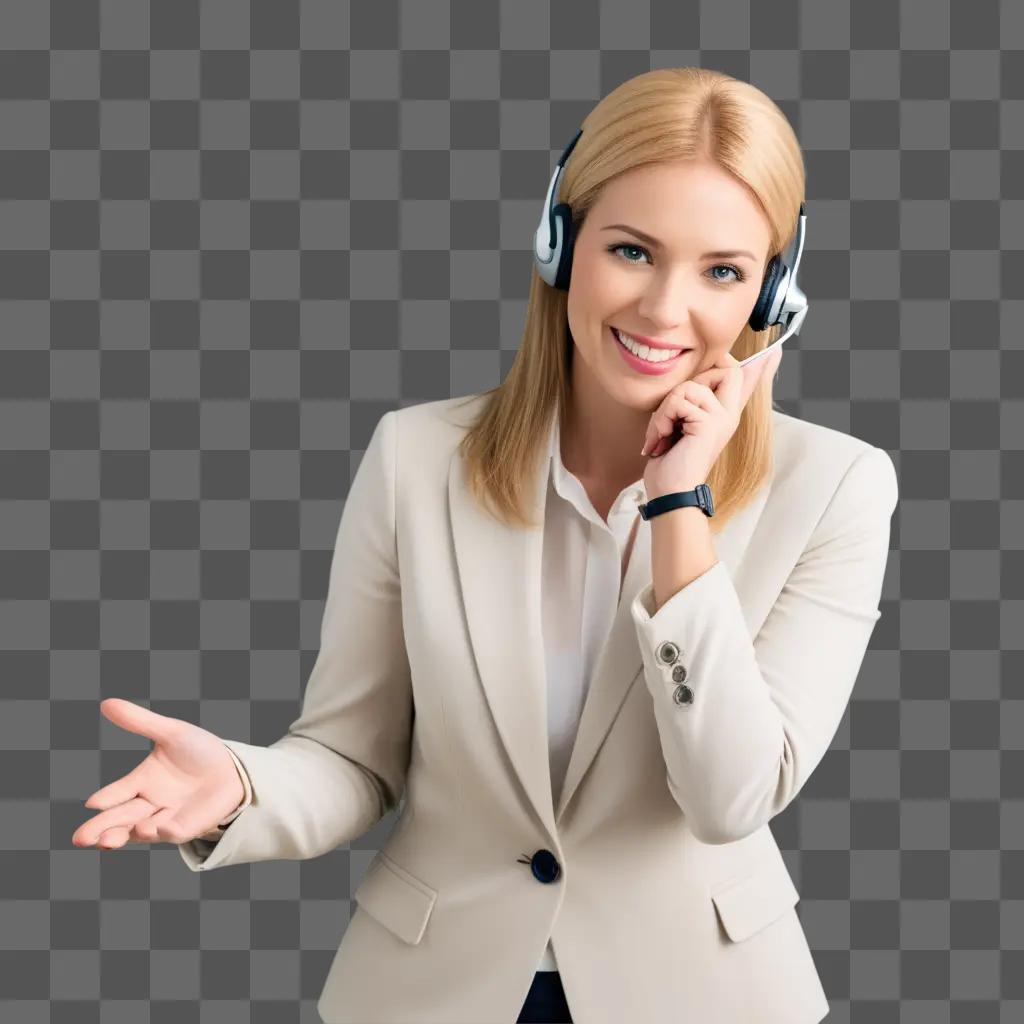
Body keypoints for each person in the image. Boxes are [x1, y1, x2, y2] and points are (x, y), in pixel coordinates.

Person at [72, 67, 897, 1024]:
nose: (668, 310)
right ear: (559, 242)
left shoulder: (835, 486)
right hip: (433, 990)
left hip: (700, 993)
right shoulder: (416, 458)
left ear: (774, 296)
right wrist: (239, 791)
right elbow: (355, 758)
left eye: (723, 271)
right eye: (632, 250)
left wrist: (680, 509)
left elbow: (731, 798)